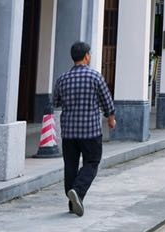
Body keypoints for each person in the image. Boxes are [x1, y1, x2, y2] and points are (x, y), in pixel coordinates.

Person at [52, 40, 116, 218]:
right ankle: (78, 192)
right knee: (92, 162)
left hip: (69, 131)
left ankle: (72, 203)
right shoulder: (95, 77)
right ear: (87, 56)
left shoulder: (62, 78)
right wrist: (111, 119)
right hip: (90, 131)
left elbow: (55, 102)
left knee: (70, 165)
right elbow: (107, 101)